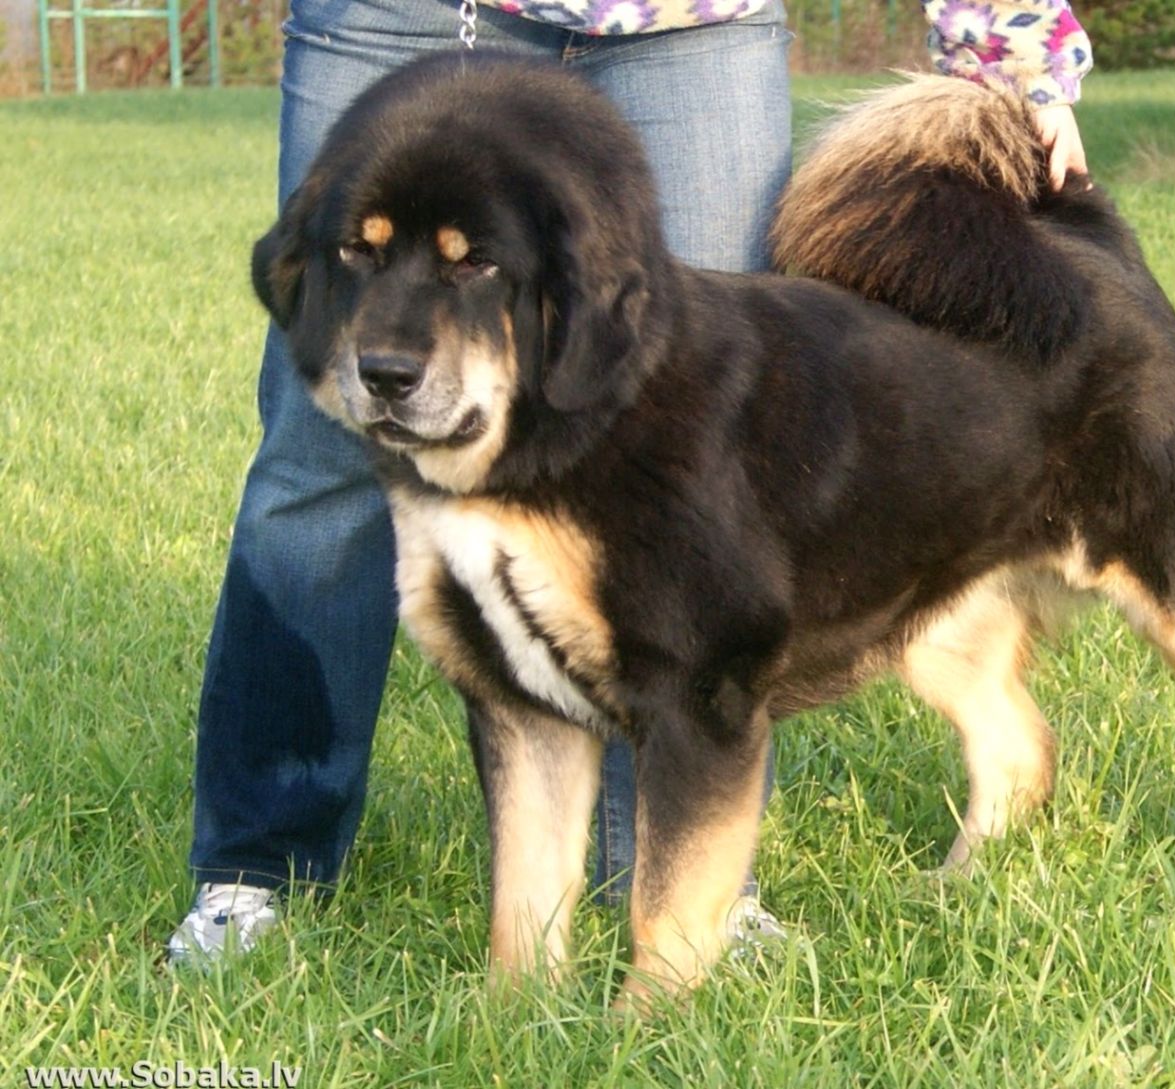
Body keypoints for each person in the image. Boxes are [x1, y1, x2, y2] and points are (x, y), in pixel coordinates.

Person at [168, 0, 1093, 962]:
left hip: (687, 21)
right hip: (406, 13)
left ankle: (689, 893)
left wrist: (1009, 44)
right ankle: (258, 867)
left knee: (698, 440)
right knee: (321, 454)